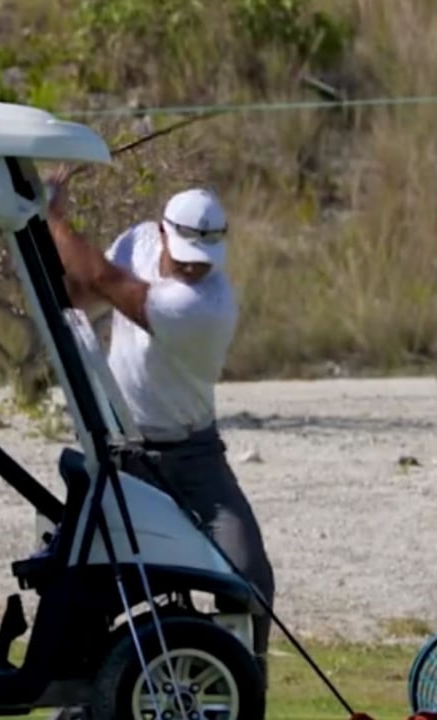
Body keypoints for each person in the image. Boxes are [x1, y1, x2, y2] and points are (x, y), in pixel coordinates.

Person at [42, 169, 277, 690]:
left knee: (250, 579)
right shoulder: (137, 243)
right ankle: (88, 696)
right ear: (161, 231)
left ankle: (241, 689)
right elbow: (86, 291)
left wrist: (53, 219)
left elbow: (105, 280)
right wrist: (47, 236)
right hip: (124, 454)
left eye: (203, 262)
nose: (195, 270)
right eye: (187, 258)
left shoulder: (206, 306)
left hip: (193, 456)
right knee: (93, 584)